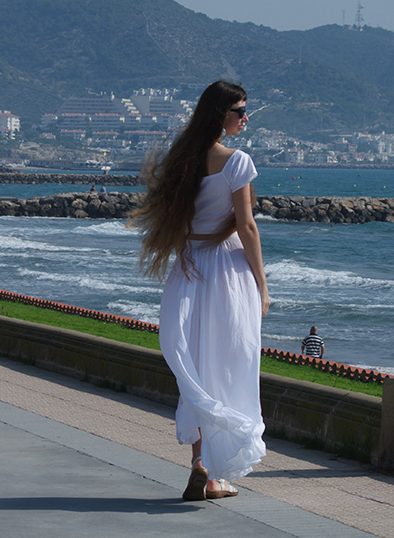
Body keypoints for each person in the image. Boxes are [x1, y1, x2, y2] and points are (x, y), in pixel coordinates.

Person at [129, 80, 269, 502]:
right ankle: (214, 471)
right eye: (240, 110)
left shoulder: (183, 160)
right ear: (220, 114)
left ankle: (200, 465)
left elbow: (175, 220)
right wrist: (262, 285)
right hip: (226, 271)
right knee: (229, 363)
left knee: (197, 366)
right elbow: (246, 227)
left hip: (189, 269)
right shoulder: (236, 162)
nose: (245, 118)